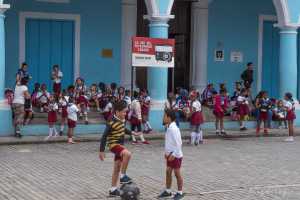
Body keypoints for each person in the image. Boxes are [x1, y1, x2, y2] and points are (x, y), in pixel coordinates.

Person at [99, 100, 141, 197]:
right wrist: (101, 151)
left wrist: (132, 133)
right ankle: (123, 176)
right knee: (127, 154)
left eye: (126, 112)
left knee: (117, 168)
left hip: (120, 146)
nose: (125, 114)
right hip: (114, 145)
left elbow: (123, 129)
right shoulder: (111, 122)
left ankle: (113, 189)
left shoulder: (122, 120)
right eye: (124, 112)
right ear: (117, 112)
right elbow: (104, 136)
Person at [158, 109, 184, 200]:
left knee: (177, 173)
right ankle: (168, 191)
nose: (163, 118)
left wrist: (174, 154)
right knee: (168, 171)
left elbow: (179, 143)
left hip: (176, 155)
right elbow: (168, 142)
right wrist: (166, 153)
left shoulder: (174, 128)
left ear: (169, 118)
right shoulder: (168, 127)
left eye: (164, 116)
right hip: (169, 155)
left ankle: (180, 192)